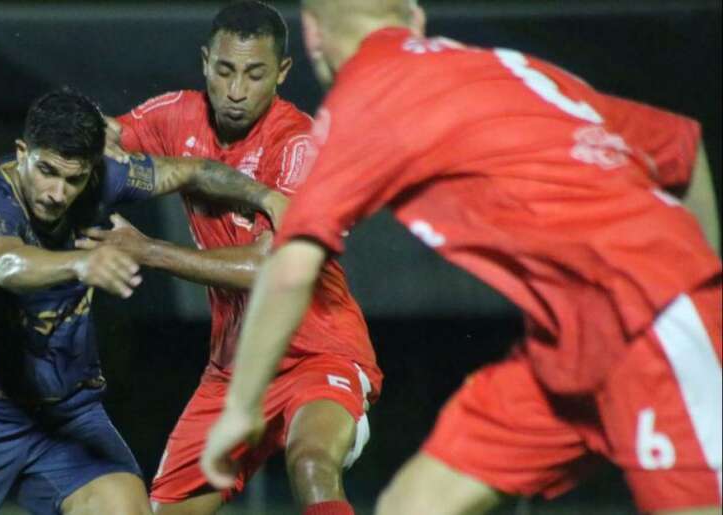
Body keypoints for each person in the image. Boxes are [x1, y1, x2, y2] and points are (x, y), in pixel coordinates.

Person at [200, 1, 722, 514]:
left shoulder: (367, 94)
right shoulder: (507, 68)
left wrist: (242, 407)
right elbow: (682, 148)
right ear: (416, 18)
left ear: (312, 35)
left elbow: (291, 268)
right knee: (413, 505)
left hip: (653, 321)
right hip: (568, 350)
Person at [0, 89, 286, 515]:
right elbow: (9, 264)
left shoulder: (102, 182)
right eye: (46, 171)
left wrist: (266, 197)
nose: (57, 192)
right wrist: (80, 264)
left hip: (68, 415)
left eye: (73, 178)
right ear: (22, 152)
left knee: (125, 509)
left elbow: (194, 172)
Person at [94, 3, 380, 514]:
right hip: (233, 368)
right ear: (206, 62)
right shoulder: (177, 115)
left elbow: (270, 269)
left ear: (282, 73)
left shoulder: (298, 145)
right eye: (225, 70)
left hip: (318, 352)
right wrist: (81, 136)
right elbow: (107, 138)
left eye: (255, 73)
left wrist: (148, 251)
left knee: (312, 464)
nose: (236, 90)